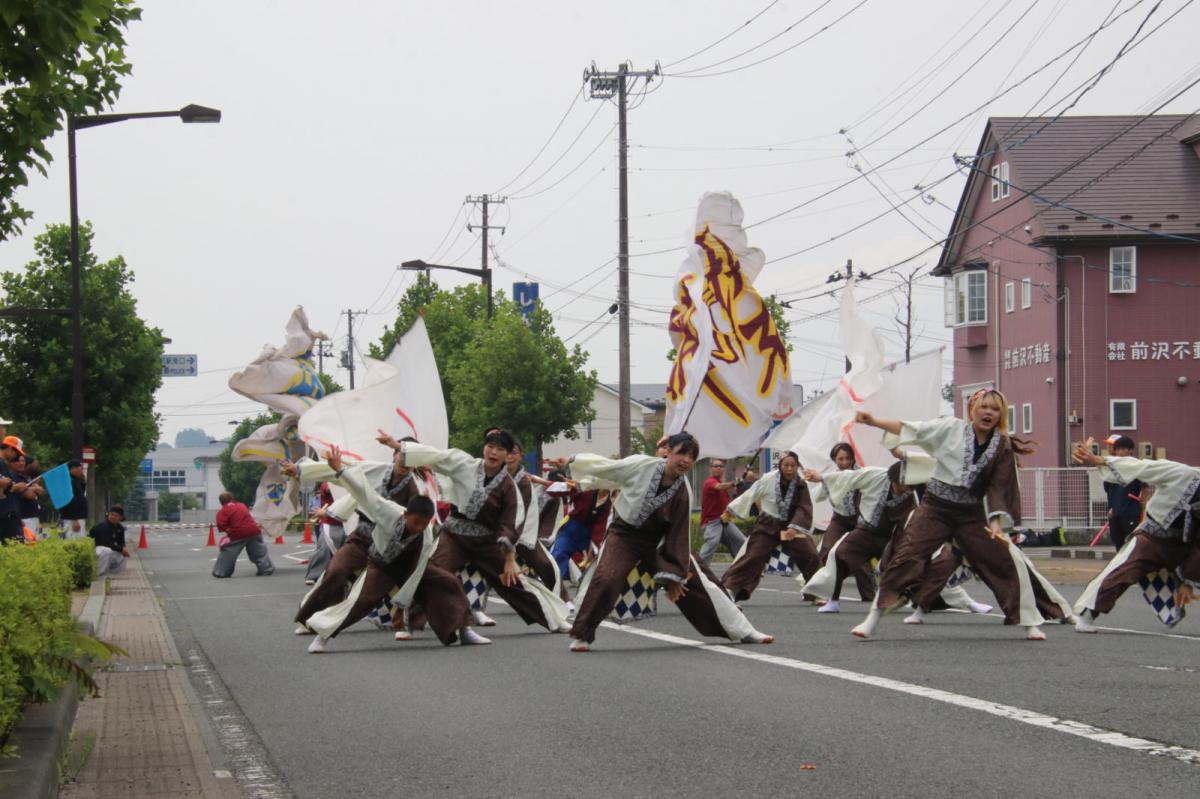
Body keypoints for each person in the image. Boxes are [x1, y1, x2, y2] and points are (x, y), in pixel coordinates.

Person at [849, 390, 1073, 641]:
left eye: (995, 409)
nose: (988, 413)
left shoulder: (1002, 445)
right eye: (984, 407)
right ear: (972, 410)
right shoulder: (951, 428)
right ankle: (872, 619)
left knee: (1005, 561)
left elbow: (999, 486)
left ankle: (1029, 622)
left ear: (1001, 415)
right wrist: (874, 421)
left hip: (971, 514)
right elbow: (913, 429)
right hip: (936, 508)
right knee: (907, 556)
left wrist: (996, 522)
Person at [548, 432, 774, 652]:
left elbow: (679, 534)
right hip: (624, 536)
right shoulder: (642, 465)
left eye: (692, 457)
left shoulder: (684, 491)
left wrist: (675, 573)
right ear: (668, 452)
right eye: (681, 453)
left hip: (660, 542)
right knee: (606, 578)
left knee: (701, 583)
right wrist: (572, 460)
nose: (686, 460)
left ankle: (743, 630)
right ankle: (582, 634)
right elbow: (608, 468)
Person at [376, 428, 571, 634]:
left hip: (487, 542)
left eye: (499, 449)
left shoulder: (509, 487)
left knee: (513, 581)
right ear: (484, 448)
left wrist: (509, 559)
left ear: (507, 455)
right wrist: (397, 446)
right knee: (432, 573)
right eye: (490, 447)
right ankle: (409, 624)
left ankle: (552, 620)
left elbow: (511, 523)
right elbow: (437, 456)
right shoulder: (465, 464)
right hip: (454, 536)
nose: (493, 452)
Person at [299, 448, 482, 652]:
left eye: (424, 524)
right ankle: (322, 636)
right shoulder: (389, 512)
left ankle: (464, 630)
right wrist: (340, 470)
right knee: (359, 601)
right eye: (416, 522)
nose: (419, 528)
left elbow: (418, 570)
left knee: (448, 581)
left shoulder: (426, 534)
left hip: (410, 565)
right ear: (406, 514)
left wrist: (401, 604)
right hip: (381, 565)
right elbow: (364, 492)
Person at [1072, 440, 1200, 632]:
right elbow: (1142, 467)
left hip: (1182, 546)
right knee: (1121, 572)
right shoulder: (1183, 474)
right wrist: (1097, 459)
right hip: (1150, 538)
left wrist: (1189, 582)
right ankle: (1087, 615)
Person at [720, 451, 820, 603]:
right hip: (767, 527)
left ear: (797, 466)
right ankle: (731, 589)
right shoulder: (768, 479)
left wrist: (794, 528)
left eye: (793, 466)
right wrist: (731, 510)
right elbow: (751, 494)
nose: (789, 469)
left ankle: (817, 592)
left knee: (810, 553)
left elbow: (804, 507)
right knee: (753, 556)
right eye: (786, 465)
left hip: (791, 529)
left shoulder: (800, 484)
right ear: (780, 465)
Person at [812, 442, 876, 604]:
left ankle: (869, 595)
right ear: (834, 460)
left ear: (852, 458)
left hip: (859, 520)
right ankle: (817, 592)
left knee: (859, 555)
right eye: (840, 459)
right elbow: (816, 496)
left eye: (848, 458)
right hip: (839, 519)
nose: (844, 462)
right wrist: (819, 483)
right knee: (826, 550)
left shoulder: (862, 473)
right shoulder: (831, 477)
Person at [507, 439, 562, 593]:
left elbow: (557, 492)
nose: (509, 457)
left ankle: (559, 598)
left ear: (521, 455)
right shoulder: (494, 476)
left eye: (514, 453)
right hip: (497, 534)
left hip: (524, 534)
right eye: (507, 452)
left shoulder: (528, 481)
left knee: (546, 565)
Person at [212, 492, 275, 578]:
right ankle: (266, 569)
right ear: (232, 498)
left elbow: (221, 524)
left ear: (221, 502)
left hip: (238, 533)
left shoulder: (223, 511)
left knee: (228, 551)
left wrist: (228, 531)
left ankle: (221, 572)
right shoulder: (241, 505)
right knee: (259, 551)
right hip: (254, 530)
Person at [698, 457, 746, 565]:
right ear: (710, 468)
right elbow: (719, 487)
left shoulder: (722, 484)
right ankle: (698, 568)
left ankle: (742, 565)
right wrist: (734, 483)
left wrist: (738, 487)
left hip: (724, 521)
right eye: (716, 466)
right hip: (711, 523)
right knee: (712, 543)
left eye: (721, 466)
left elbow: (727, 504)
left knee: (740, 540)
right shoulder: (710, 482)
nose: (719, 468)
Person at [1102, 435, 1144, 551]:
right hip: (1115, 512)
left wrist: (1144, 506)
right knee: (1119, 544)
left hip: (1129, 511)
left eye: (1112, 445)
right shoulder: (1110, 467)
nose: (1110, 448)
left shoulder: (1135, 465)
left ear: (1129, 449)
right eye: (1109, 446)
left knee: (1130, 544)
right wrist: (1111, 508)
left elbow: (1144, 486)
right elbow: (1109, 491)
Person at [0, 437, 29, 543]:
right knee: (15, 547)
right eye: (16, 453)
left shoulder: (4, 465)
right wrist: (15, 487)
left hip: (10, 514)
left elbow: (6, 487)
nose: (16, 457)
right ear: (9, 449)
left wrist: (14, 487)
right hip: (5, 515)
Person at [90, 505, 129, 576]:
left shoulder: (120, 528)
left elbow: (121, 542)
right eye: (111, 514)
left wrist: (123, 549)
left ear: (120, 518)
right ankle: (98, 574)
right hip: (96, 548)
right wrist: (121, 549)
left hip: (107, 548)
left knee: (123, 555)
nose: (113, 517)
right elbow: (106, 543)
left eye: (116, 515)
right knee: (107, 551)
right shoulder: (103, 525)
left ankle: (115, 574)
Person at [60, 460, 88, 538]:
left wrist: (82, 483)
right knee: (73, 539)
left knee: (80, 539)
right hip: (72, 518)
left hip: (78, 516)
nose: (81, 471)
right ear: (73, 469)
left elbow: (80, 495)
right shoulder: (68, 481)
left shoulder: (75, 480)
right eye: (80, 469)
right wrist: (74, 519)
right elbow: (70, 501)